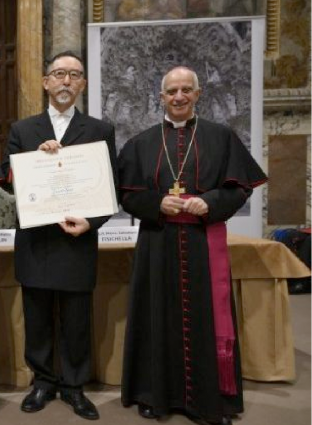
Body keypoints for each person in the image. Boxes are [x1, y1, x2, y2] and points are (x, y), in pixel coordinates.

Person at [118, 66, 267, 425]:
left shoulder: (221, 137)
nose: (179, 96)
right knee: (156, 315)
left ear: (198, 94)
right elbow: (127, 195)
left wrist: (210, 201)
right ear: (161, 98)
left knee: (207, 320)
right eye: (172, 91)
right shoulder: (141, 143)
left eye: (186, 90)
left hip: (203, 242)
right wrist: (157, 202)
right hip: (157, 243)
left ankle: (212, 399)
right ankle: (154, 395)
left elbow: (239, 187)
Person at [0, 51, 116, 421]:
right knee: (37, 319)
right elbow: (7, 180)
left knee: (77, 320)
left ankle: (74, 386)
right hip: (36, 241)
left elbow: (110, 186)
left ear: (83, 84)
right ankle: (43, 382)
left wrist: (91, 223)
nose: (66, 81)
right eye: (59, 73)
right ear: (45, 81)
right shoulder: (23, 130)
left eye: (75, 75)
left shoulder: (100, 130)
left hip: (78, 241)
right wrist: (35, 160)